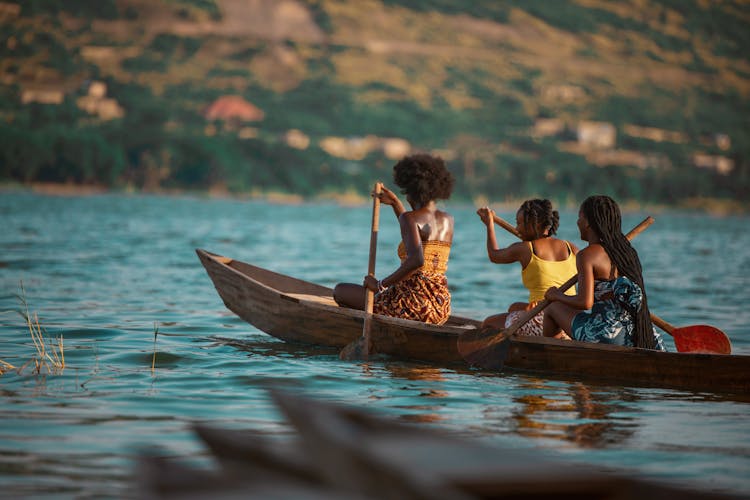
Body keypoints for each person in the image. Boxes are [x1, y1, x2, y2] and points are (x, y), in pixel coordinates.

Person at [333, 153, 454, 325]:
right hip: (440, 307)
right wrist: (396, 204)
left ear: (412, 192)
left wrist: (380, 284)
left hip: (413, 304)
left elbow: (416, 260)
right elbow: (416, 233)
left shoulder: (410, 218)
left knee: (341, 291)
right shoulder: (448, 219)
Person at [542, 195, 665, 350]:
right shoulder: (627, 252)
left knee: (552, 307)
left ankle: (551, 355)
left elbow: (584, 303)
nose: (577, 222)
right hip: (640, 334)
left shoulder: (586, 255)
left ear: (587, 222)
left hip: (606, 335)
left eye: (579, 217)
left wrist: (556, 295)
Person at [477, 199, 579, 336]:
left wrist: (489, 225)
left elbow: (494, 255)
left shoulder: (525, 248)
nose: (517, 228)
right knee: (514, 307)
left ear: (535, 225)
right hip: (571, 323)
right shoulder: (572, 248)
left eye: (520, 223)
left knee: (487, 323)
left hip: (545, 323)